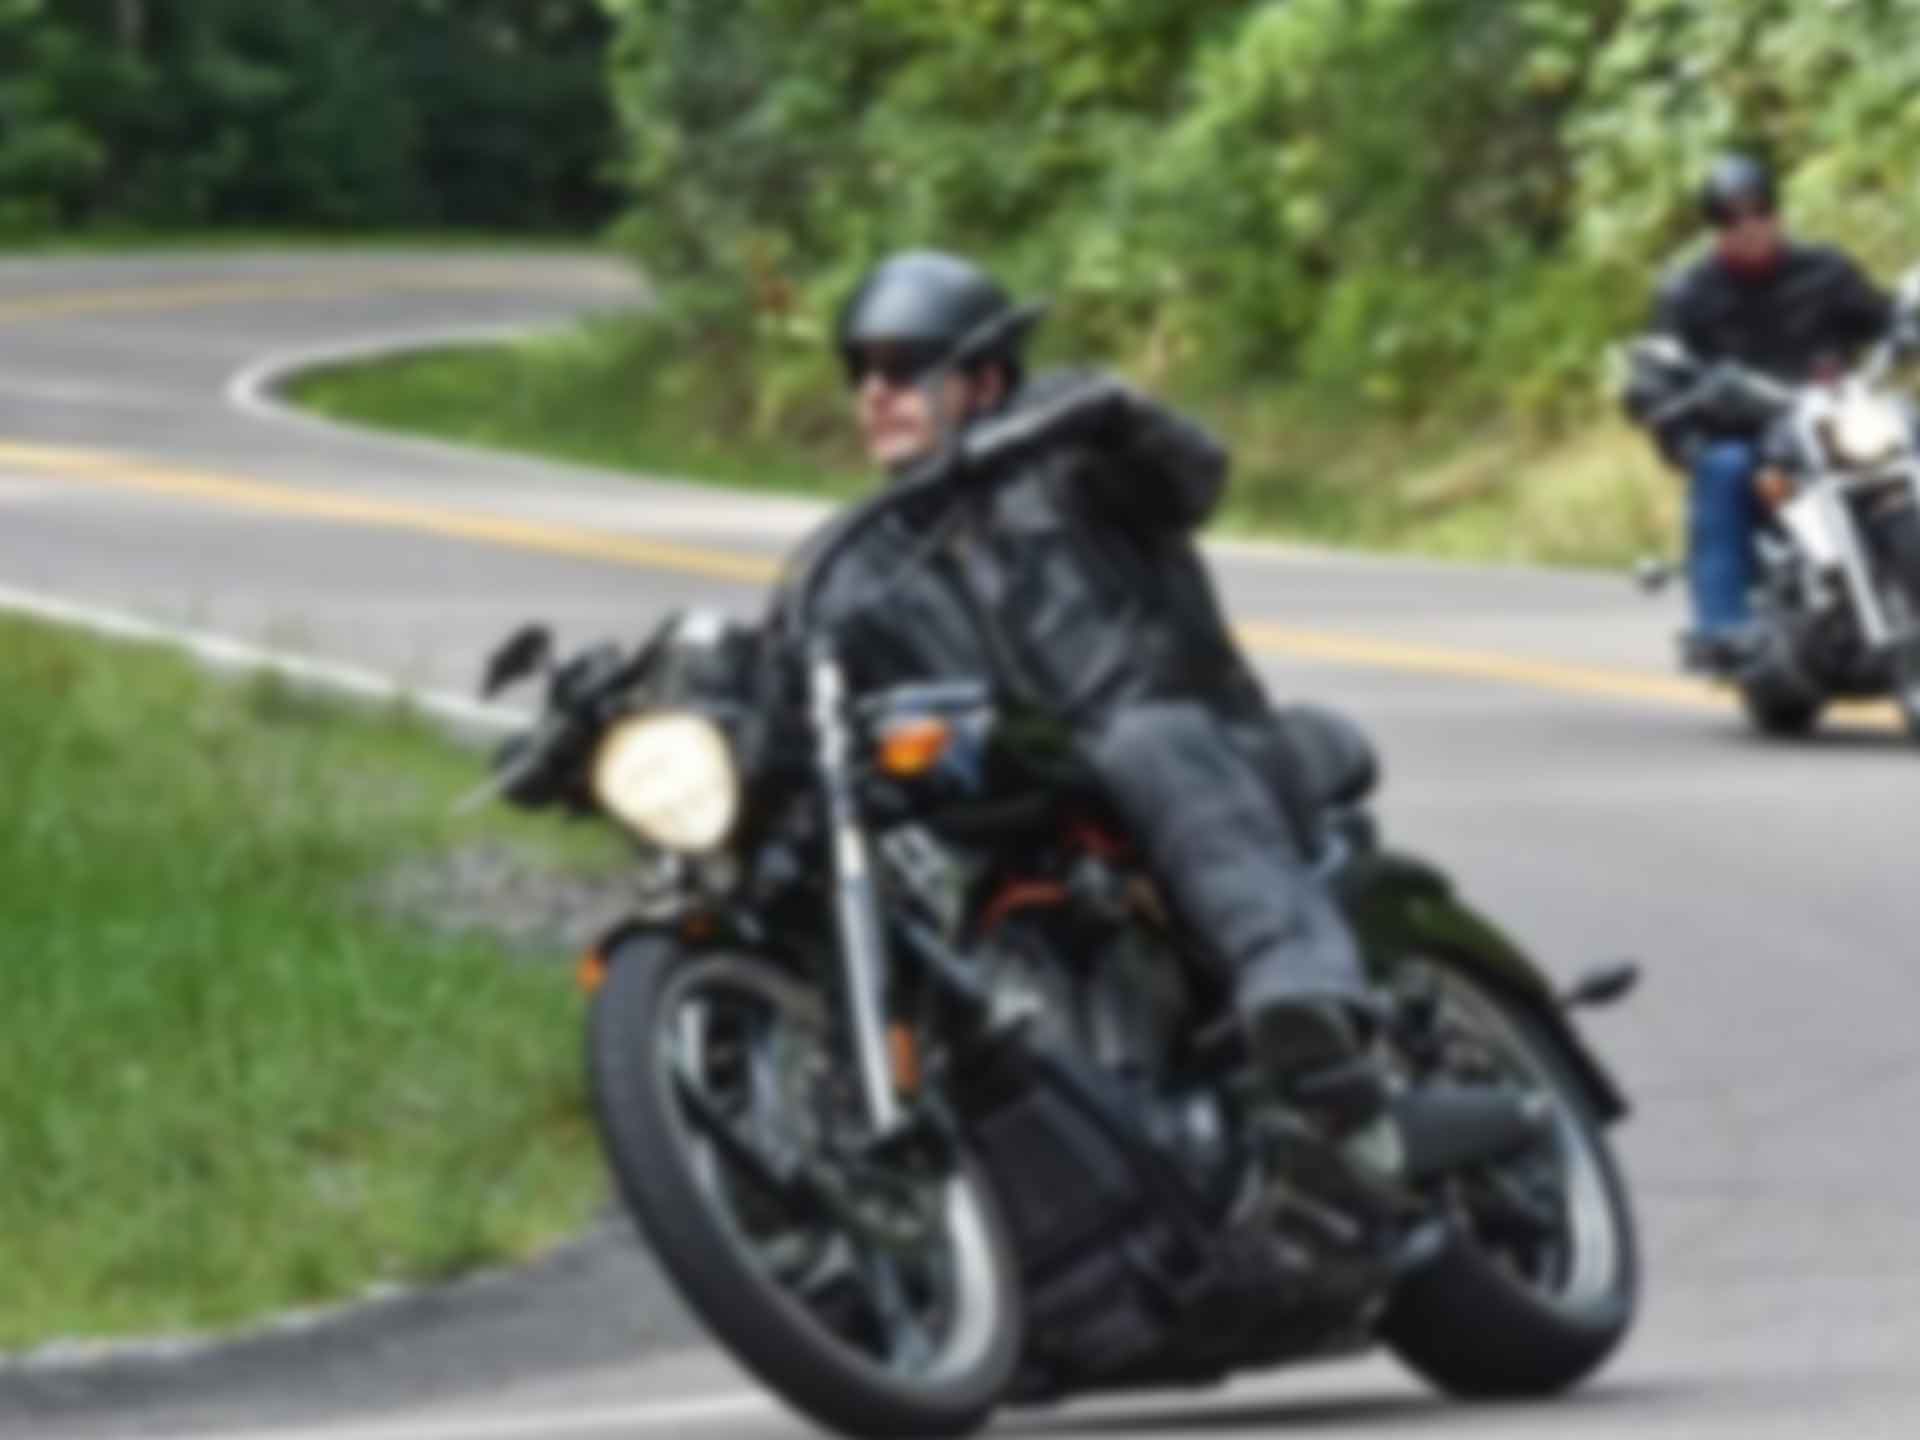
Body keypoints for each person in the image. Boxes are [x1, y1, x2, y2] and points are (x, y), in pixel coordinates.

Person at [791, 249, 1398, 1173]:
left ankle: (1302, 992)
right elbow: (799, 685)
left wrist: (1117, 416)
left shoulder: (1070, 459)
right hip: (1047, 823)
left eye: (904, 367)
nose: (876, 392)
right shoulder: (859, 567)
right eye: (860, 371)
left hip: (1216, 757)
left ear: (985, 379)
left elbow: (1194, 477)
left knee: (1142, 739)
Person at [1626, 152, 1893, 668]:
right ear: (1715, 228)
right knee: (1724, 466)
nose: (1749, 226)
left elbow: (1879, 317)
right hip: (1749, 434)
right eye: (1731, 217)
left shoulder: (1826, 270)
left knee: (1904, 432)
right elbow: (1656, 370)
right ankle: (1724, 627)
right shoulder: (1689, 293)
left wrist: (1905, 322)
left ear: (1777, 211)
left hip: (1830, 422)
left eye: (1759, 210)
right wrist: (1659, 396)